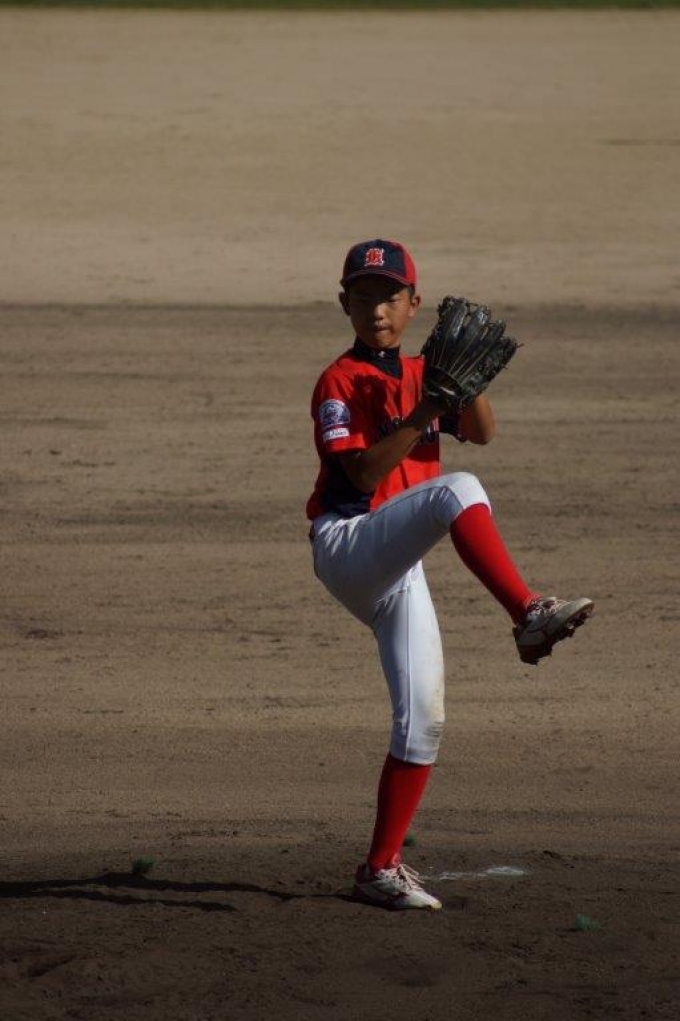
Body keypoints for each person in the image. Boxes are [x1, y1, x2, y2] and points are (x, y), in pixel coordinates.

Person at [306, 239, 593, 911]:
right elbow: (362, 475)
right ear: (344, 303)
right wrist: (425, 413)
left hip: (396, 562)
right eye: (363, 297)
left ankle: (379, 868)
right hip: (348, 543)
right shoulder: (338, 381)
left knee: (423, 721)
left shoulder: (423, 373)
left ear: (415, 304)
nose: (377, 310)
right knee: (456, 489)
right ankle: (527, 613)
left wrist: (468, 382)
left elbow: (483, 432)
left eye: (390, 297)